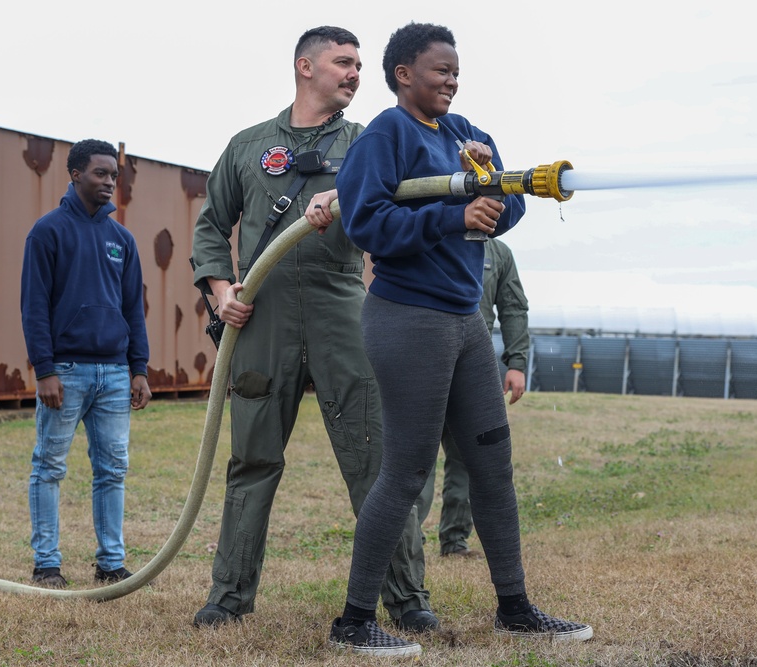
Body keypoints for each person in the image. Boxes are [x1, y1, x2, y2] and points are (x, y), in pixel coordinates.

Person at [327, 22, 593, 657]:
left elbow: (513, 207)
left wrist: (492, 182)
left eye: (455, 70)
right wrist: (456, 213)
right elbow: (365, 221)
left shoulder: (465, 135)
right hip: (407, 319)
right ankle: (354, 622)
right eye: (440, 70)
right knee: (409, 469)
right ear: (403, 75)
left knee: (493, 467)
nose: (451, 80)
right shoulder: (384, 137)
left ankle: (515, 608)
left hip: (467, 323)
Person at [189, 26, 436, 631]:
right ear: (305, 67)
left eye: (358, 65)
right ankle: (229, 597)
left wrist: (347, 197)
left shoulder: (368, 142)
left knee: (374, 460)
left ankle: (407, 600)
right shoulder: (248, 146)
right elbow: (209, 228)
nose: (355, 73)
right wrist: (222, 294)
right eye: (343, 62)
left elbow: (399, 212)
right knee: (251, 458)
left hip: (343, 310)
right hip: (261, 316)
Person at [20, 138, 152, 588]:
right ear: (75, 175)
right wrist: (45, 370)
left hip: (115, 374)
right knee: (50, 467)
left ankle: (110, 563)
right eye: (100, 174)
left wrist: (139, 369)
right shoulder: (47, 231)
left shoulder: (122, 240)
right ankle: (47, 564)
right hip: (67, 373)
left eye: (114, 175)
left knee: (112, 471)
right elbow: (34, 307)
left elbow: (134, 308)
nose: (109, 182)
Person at [416, 237, 529, 558]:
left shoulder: (498, 252)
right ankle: (408, 541)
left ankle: (454, 541)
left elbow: (513, 306)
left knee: (468, 455)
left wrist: (517, 362)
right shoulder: (426, 232)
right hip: (421, 361)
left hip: (473, 365)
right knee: (413, 457)